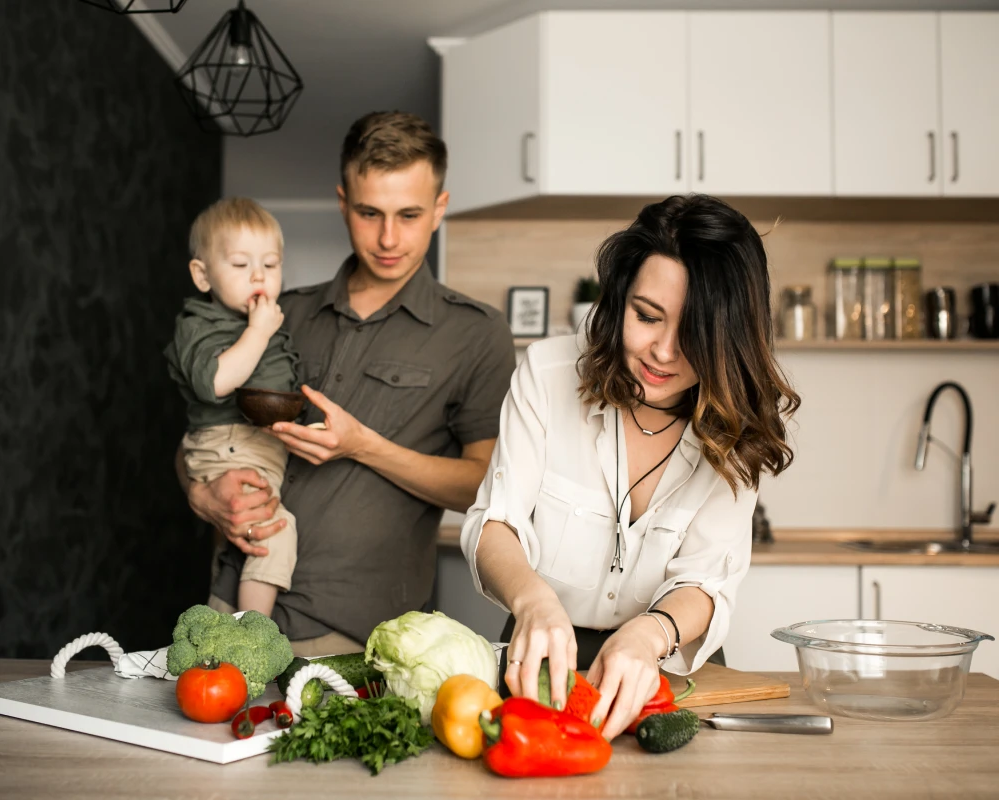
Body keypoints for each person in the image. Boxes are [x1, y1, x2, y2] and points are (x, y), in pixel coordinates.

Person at [460, 194, 800, 740]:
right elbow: (495, 521)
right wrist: (532, 600)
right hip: (541, 650)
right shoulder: (547, 376)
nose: (663, 351)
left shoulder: (738, 426)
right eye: (646, 316)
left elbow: (708, 580)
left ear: (729, 334)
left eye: (694, 332)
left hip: (660, 660)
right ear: (619, 301)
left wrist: (647, 635)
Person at [177, 111, 517, 656]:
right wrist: (201, 493)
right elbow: (204, 430)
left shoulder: (476, 333)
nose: (389, 237)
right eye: (369, 213)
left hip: (356, 635)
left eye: (409, 214)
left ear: (439, 210)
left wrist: (364, 447)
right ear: (343, 203)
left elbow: (484, 487)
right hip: (231, 604)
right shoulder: (277, 311)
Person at [165, 197, 299, 618]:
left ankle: (231, 630)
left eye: (271, 264)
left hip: (253, 445)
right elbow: (216, 382)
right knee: (275, 532)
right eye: (241, 265)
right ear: (202, 275)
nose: (258, 275)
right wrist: (259, 333)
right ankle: (251, 634)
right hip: (227, 444)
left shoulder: (264, 320)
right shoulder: (199, 324)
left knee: (245, 538)